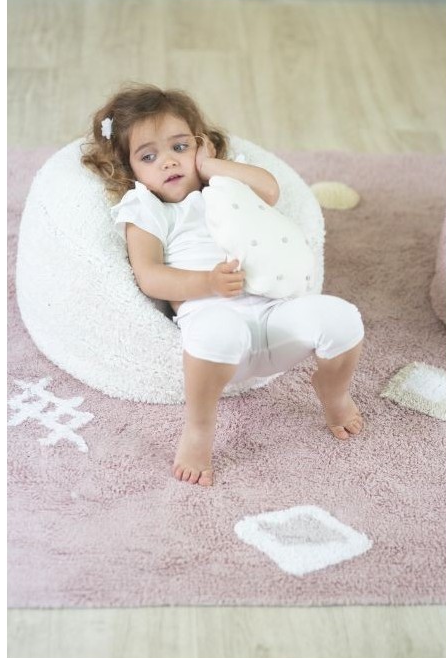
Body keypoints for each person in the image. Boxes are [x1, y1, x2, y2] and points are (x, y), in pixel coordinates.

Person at [81, 84, 365, 487]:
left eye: (180, 147)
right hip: (214, 326)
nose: (168, 161)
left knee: (342, 319)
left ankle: (333, 392)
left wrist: (211, 167)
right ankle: (199, 428)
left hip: (275, 312)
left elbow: (270, 190)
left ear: (201, 144)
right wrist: (208, 282)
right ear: (130, 169)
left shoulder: (226, 185)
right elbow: (149, 276)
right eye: (148, 156)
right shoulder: (148, 209)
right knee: (219, 332)